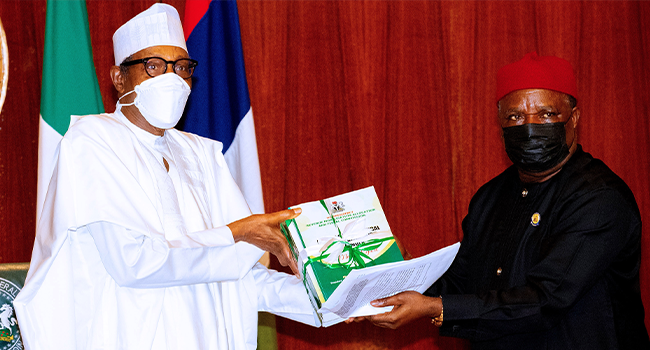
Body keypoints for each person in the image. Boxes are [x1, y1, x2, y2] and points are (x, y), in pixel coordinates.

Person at [14, 4, 319, 349]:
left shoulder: (201, 155)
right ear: (119, 78)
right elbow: (135, 263)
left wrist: (347, 297)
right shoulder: (92, 141)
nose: (172, 79)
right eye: (154, 66)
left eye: (182, 68)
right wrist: (238, 233)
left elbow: (245, 278)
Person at [349, 52, 650, 349]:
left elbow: (545, 299)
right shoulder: (489, 198)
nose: (530, 126)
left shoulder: (599, 198)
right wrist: (393, 277)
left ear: (574, 118)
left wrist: (437, 308)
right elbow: (461, 284)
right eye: (515, 116)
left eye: (546, 114)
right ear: (500, 124)